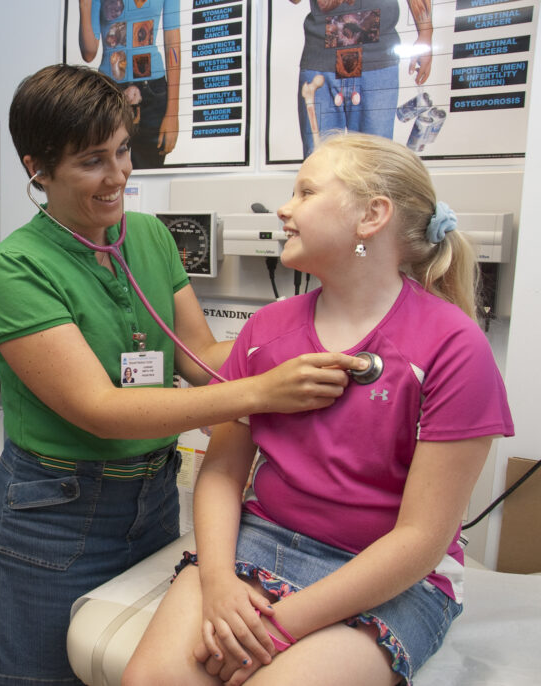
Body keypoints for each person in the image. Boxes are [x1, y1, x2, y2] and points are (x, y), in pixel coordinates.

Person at [0, 64, 368, 686]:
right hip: (60, 508)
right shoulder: (16, 269)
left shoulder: (150, 237)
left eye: (124, 150)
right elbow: (100, 408)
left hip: (154, 497)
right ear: (38, 169)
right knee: (36, 676)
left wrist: (302, 339)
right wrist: (263, 390)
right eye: (91, 161)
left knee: (120, 663)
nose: (119, 176)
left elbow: (200, 354)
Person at [123, 132, 514, 686]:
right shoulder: (265, 331)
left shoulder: (453, 346)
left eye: (306, 192)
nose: (285, 208)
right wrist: (219, 583)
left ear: (371, 216)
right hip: (261, 542)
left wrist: (279, 627)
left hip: (388, 573)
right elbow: (223, 472)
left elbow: (421, 539)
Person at [291, 0, 433, 158]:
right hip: (322, 62)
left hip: (376, 61)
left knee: (374, 166)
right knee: (320, 168)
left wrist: (426, 33)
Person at [79, 0, 181, 168]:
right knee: (108, 171)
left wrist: (172, 114)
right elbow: (89, 53)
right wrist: (83, 6)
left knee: (150, 171)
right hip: (109, 90)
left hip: (153, 91)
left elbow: (173, 44)